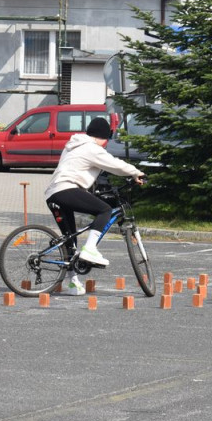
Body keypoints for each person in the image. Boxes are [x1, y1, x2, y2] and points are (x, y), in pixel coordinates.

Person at [43, 117, 145, 295]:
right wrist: (136, 173)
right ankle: (90, 249)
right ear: (104, 138)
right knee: (105, 210)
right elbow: (114, 164)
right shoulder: (92, 148)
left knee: (69, 239)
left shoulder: (73, 145)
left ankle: (73, 283)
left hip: (53, 193)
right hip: (67, 189)